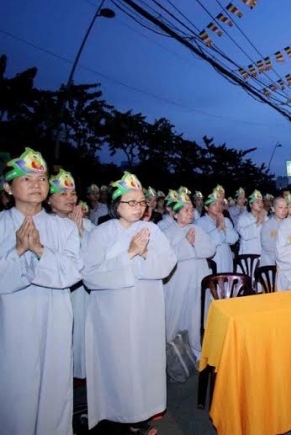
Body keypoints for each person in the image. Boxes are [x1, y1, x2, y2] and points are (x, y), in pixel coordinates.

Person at [82, 171, 177, 433]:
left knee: (144, 362)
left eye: (141, 202)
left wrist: (145, 253)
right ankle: (116, 419)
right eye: (131, 202)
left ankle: (141, 416)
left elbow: (168, 263)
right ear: (116, 205)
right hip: (114, 313)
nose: (138, 207)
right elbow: (90, 275)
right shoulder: (101, 232)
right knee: (118, 363)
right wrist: (130, 254)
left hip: (147, 308)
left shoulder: (153, 230)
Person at [0, 148, 83, 435]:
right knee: (14, 386)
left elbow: (72, 272)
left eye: (42, 178)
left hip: (55, 316)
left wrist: (39, 250)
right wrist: (18, 251)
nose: (37, 184)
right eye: (27, 179)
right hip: (12, 321)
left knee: (54, 384)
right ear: (8, 187)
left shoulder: (64, 228)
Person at [47, 169, 94, 381]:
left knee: (83, 331)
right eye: (63, 194)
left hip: (85, 291)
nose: (70, 198)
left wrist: (81, 231)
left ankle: (82, 373)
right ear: (49, 199)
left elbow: (95, 256)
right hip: (58, 291)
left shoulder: (88, 223)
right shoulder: (45, 224)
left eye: (73, 193)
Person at [162, 190, 215, 359]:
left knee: (196, 313)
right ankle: (173, 349)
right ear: (175, 214)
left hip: (198, 277)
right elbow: (169, 256)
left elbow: (210, 249)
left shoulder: (197, 229)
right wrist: (187, 245)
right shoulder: (167, 232)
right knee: (177, 313)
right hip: (178, 280)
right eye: (186, 210)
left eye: (191, 209)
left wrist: (190, 248)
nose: (191, 213)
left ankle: (196, 348)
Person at [195, 188, 239, 273]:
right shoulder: (199, 223)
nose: (218, 207)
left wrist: (224, 227)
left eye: (220, 204)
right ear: (206, 207)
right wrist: (218, 227)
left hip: (226, 258)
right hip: (211, 259)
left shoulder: (226, 220)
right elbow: (207, 242)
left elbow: (234, 239)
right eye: (214, 204)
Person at [236, 189, 267, 256]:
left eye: (261, 202)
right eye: (257, 202)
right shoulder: (243, 218)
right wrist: (258, 222)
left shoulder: (266, 218)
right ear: (250, 204)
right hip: (248, 255)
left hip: (263, 255)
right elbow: (245, 235)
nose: (260, 204)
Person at [260, 196, 288, 267]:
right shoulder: (267, 225)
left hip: (287, 262)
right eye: (281, 208)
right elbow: (267, 246)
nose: (284, 210)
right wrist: (281, 258)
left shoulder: (289, 224)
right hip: (270, 263)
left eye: (286, 207)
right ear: (273, 209)